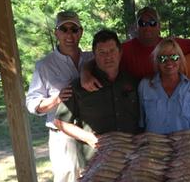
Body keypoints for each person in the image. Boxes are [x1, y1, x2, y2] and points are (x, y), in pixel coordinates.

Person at [26, 10, 91, 182]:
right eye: (64, 29)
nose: (69, 35)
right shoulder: (44, 66)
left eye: (74, 29)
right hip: (62, 135)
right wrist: (55, 99)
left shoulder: (91, 59)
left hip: (91, 132)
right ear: (56, 33)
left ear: (81, 32)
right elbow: (31, 103)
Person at [54, 29, 140, 162]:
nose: (108, 57)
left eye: (112, 51)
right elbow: (60, 122)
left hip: (132, 157)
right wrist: (88, 138)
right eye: (102, 52)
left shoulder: (134, 82)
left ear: (120, 52)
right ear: (94, 55)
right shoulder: (79, 86)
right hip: (96, 159)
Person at [81, 6, 190, 88]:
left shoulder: (172, 46)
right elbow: (97, 60)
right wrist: (85, 74)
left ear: (159, 26)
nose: (147, 27)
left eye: (152, 23)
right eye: (142, 23)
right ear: (136, 27)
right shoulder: (124, 49)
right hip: (137, 105)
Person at [138, 37, 190, 134]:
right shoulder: (145, 86)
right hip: (153, 147)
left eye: (174, 57)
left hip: (186, 147)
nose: (169, 62)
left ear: (180, 60)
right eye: (163, 58)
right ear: (157, 62)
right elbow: (140, 124)